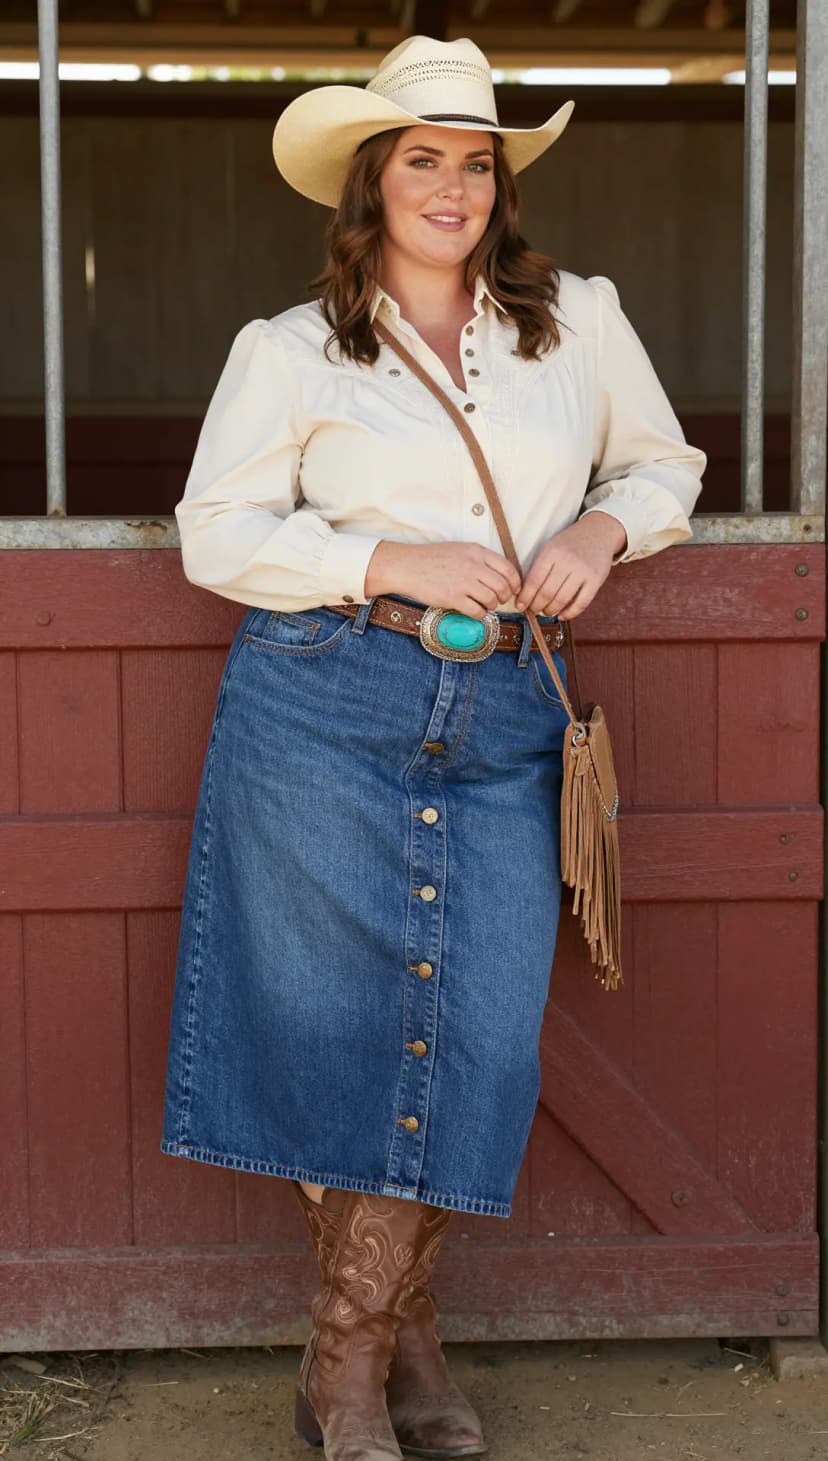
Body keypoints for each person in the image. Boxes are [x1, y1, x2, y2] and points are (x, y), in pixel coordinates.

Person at [160, 33, 706, 1461]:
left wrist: (604, 527)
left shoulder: (577, 324)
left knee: (471, 1028)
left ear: (501, 187)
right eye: (424, 159)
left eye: (477, 163)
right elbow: (212, 533)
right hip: (322, 699)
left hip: (508, 708)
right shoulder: (288, 351)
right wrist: (383, 556)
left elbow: (665, 464)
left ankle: (358, 1343)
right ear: (373, 181)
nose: (454, 187)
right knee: (332, 1027)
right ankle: (373, 1358)